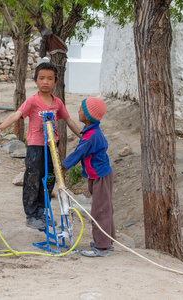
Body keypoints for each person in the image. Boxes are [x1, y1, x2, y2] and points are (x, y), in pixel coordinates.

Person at [0, 62, 81, 230]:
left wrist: (82, 136)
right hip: (36, 148)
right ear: (36, 81)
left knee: (49, 179)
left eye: (50, 79)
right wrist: (0, 128)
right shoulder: (32, 101)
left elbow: (68, 120)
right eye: (41, 78)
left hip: (52, 147)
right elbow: (17, 114)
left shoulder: (57, 103)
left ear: (56, 82)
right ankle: (31, 215)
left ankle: (42, 212)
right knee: (33, 180)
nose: (45, 82)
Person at [62, 97, 115, 257]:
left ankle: (102, 247)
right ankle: (107, 240)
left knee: (100, 210)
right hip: (97, 176)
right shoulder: (90, 132)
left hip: (101, 176)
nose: (78, 111)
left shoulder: (91, 136)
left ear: (88, 115)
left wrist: (63, 166)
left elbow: (79, 153)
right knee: (104, 207)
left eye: (81, 109)